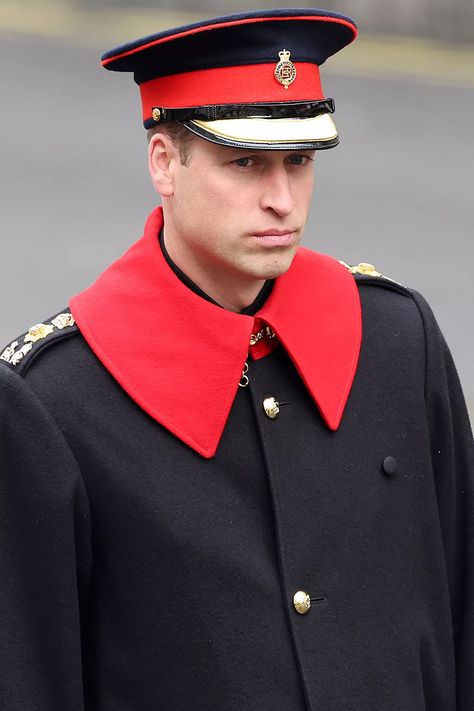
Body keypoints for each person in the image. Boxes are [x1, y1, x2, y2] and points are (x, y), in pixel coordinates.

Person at [0, 8, 472, 711]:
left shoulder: (400, 340)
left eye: (299, 161)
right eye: (245, 161)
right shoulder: (53, 403)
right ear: (164, 162)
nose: (281, 199)